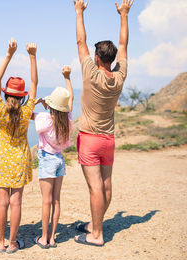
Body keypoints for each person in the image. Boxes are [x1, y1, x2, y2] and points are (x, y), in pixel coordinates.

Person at [73, 0, 133, 246]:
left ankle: (97, 235)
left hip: (89, 139)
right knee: (106, 186)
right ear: (112, 59)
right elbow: (124, 45)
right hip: (108, 139)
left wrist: (78, 11)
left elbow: (80, 42)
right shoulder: (119, 77)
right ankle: (94, 224)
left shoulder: (90, 72)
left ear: (97, 58)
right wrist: (124, 15)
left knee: (95, 188)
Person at [0, 38, 38, 254]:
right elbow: (34, 84)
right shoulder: (26, 112)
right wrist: (32, 56)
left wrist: (9, 54)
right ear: (22, 97)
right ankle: (13, 243)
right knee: (17, 203)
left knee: (1, 203)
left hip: (0, 159)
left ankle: (0, 242)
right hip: (20, 159)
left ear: (6, 94)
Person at [32, 66, 74, 249]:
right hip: (59, 161)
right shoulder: (67, 119)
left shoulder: (45, 118)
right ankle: (53, 238)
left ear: (50, 106)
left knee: (46, 200)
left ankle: (43, 238)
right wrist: (68, 78)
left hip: (47, 160)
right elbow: (70, 99)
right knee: (56, 200)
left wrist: (39, 103)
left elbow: (28, 114)